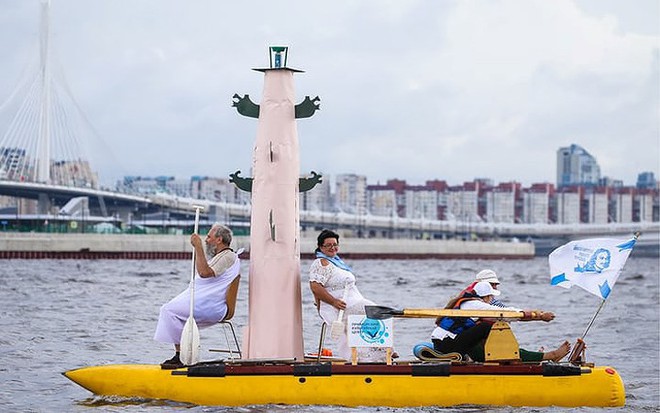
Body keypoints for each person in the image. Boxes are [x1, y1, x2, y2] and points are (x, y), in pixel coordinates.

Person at [155, 223, 241, 369]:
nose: (206, 240)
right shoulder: (221, 256)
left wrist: (198, 247)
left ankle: (180, 357)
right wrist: (198, 249)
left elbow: (204, 273)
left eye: (209, 237)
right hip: (208, 304)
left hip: (214, 307)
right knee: (171, 311)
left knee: (169, 311)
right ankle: (180, 356)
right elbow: (205, 271)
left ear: (219, 239)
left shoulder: (228, 256)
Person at [431, 281, 571, 363]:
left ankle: (534, 356)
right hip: (448, 345)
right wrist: (539, 315)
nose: (492, 299)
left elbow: (507, 315)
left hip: (446, 343)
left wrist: (535, 317)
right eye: (491, 296)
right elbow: (506, 314)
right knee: (490, 326)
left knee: (489, 329)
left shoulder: (470, 303)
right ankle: (549, 356)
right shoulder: (474, 305)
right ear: (485, 296)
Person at [309, 229, 389, 362]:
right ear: (320, 247)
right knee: (377, 312)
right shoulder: (321, 263)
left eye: (335, 244)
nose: (332, 247)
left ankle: (378, 354)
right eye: (328, 245)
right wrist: (333, 302)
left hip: (350, 303)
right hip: (338, 306)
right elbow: (315, 287)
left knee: (371, 321)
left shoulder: (336, 262)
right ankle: (380, 353)